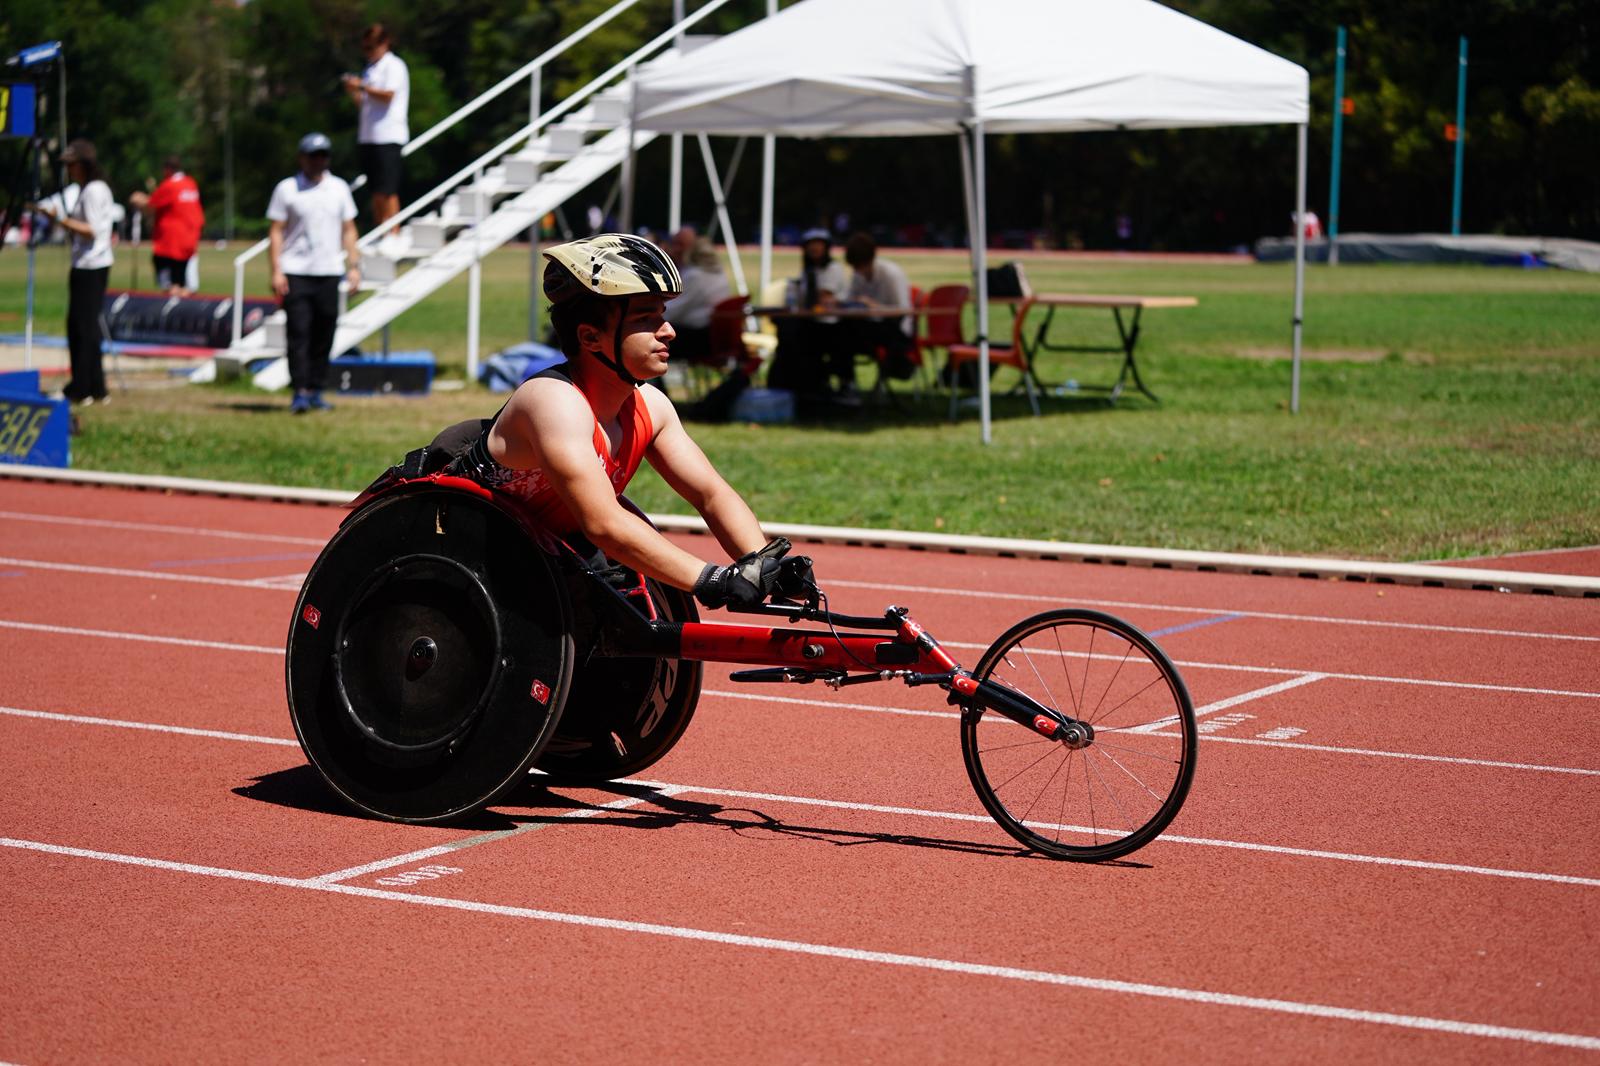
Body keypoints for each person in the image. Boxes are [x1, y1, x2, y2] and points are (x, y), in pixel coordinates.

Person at [444, 233, 799, 609]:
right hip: (465, 564)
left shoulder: (651, 407)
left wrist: (764, 563)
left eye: (662, 315)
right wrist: (713, 579)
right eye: (646, 319)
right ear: (590, 337)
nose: (668, 331)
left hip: (538, 560)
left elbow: (710, 495)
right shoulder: (552, 401)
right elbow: (603, 524)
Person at [267, 132, 360, 414]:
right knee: (299, 332)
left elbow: (349, 229)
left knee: (324, 332)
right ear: (302, 158)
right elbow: (276, 231)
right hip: (295, 271)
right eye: (313, 156)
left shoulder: (339, 188)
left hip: (329, 270)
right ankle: (299, 391)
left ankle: (317, 389)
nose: (318, 161)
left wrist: (354, 266)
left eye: (323, 156)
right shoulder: (287, 189)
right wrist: (276, 270)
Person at [34, 139, 114, 406]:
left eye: (72, 165)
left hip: (90, 265)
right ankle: (96, 386)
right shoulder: (91, 189)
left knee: (81, 328)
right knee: (87, 327)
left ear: (84, 164)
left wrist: (60, 220)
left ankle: (81, 388)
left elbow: (91, 230)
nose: (68, 170)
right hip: (90, 263)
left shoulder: (92, 191)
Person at [765, 227, 852, 407]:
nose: (814, 249)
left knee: (796, 335)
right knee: (787, 331)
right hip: (812, 323)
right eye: (811, 245)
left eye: (818, 245)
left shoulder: (833, 269)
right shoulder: (808, 271)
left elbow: (823, 298)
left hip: (831, 327)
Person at [343, 23, 409, 229]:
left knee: (388, 189)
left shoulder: (394, 65)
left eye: (371, 47)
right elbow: (364, 104)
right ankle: (381, 230)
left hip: (388, 136)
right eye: (365, 48)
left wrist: (362, 86)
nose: (368, 52)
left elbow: (388, 95)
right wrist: (353, 91)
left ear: (384, 43)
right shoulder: (370, 69)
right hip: (368, 136)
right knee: (375, 191)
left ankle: (393, 233)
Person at [840, 232, 915, 381]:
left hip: (895, 330)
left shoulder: (891, 274)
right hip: (870, 326)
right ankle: (846, 381)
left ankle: (847, 382)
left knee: (844, 335)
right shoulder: (858, 274)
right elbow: (850, 299)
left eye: (859, 266)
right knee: (837, 331)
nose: (857, 271)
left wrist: (873, 306)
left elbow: (903, 310)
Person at [128, 155, 205, 295]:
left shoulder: (170, 185)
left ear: (168, 169)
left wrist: (137, 198)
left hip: (171, 242)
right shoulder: (190, 183)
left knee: (171, 284)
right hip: (190, 238)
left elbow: (150, 204)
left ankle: (174, 299)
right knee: (184, 282)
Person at [664, 236, 732, 366]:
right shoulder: (719, 273)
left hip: (697, 339)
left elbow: (673, 312)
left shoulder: (694, 275)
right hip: (716, 337)